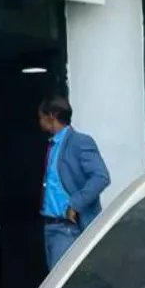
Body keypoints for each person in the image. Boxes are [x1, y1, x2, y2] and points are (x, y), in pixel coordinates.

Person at [38, 96, 110, 271]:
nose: (39, 121)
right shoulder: (53, 145)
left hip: (68, 229)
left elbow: (101, 177)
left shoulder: (79, 142)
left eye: (41, 116)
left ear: (52, 116)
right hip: (52, 228)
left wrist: (75, 204)